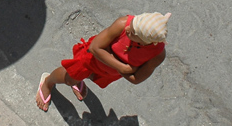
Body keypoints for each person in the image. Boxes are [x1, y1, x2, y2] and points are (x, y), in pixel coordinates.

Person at [36, 12, 171, 112]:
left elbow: (137, 79)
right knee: (69, 78)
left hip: (108, 71)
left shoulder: (157, 55)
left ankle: (78, 79)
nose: (129, 29)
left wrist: (113, 60)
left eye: (134, 33)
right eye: (133, 24)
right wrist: (124, 68)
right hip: (91, 60)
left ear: (146, 42)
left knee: (86, 76)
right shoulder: (123, 24)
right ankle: (48, 82)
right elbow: (95, 48)